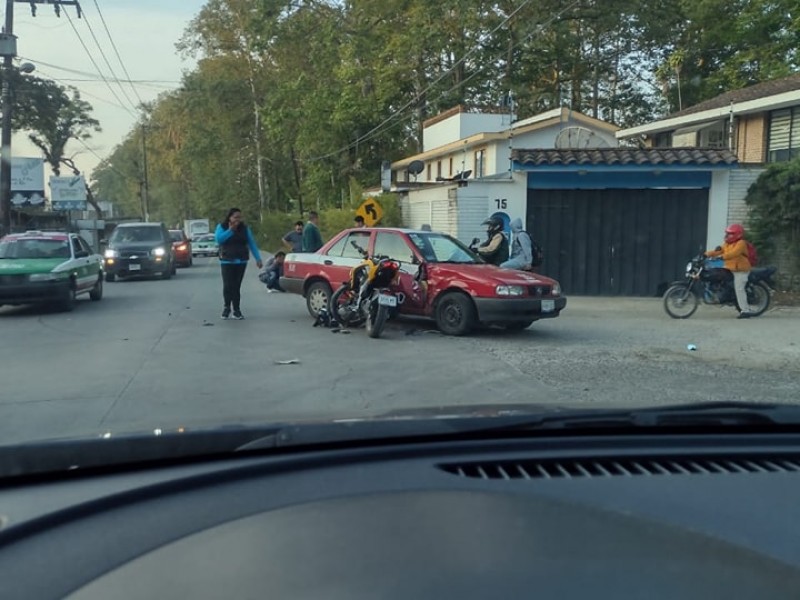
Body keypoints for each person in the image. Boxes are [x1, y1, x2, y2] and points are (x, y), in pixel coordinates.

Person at [215, 207, 263, 320]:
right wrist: (230, 231)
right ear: (230, 217)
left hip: (241, 261)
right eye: (235, 217)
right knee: (228, 285)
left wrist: (258, 258)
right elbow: (218, 239)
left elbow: (252, 243)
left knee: (236, 286)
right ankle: (226, 308)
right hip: (227, 260)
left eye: (239, 218)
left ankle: (236, 310)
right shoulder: (222, 227)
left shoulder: (245, 229)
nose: (238, 220)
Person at [705, 223, 752, 319]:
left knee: (739, 289)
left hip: (741, 270)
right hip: (731, 268)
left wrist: (722, 257)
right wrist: (707, 254)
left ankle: (746, 311)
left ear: (737, 235)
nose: (727, 236)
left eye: (730, 234)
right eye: (727, 233)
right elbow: (719, 251)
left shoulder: (741, 243)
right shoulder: (727, 244)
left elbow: (734, 253)